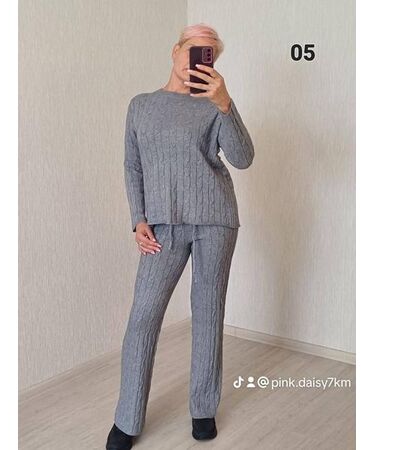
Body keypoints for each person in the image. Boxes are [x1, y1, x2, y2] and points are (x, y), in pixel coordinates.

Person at [106, 23, 254, 450]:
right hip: (162, 226)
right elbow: (132, 165)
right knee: (143, 316)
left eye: (209, 55)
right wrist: (138, 218)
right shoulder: (142, 105)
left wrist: (225, 104)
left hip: (215, 222)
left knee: (207, 313)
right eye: (194, 50)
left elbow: (243, 158)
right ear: (176, 51)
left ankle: (203, 410)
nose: (199, 61)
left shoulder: (214, 105)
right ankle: (127, 418)